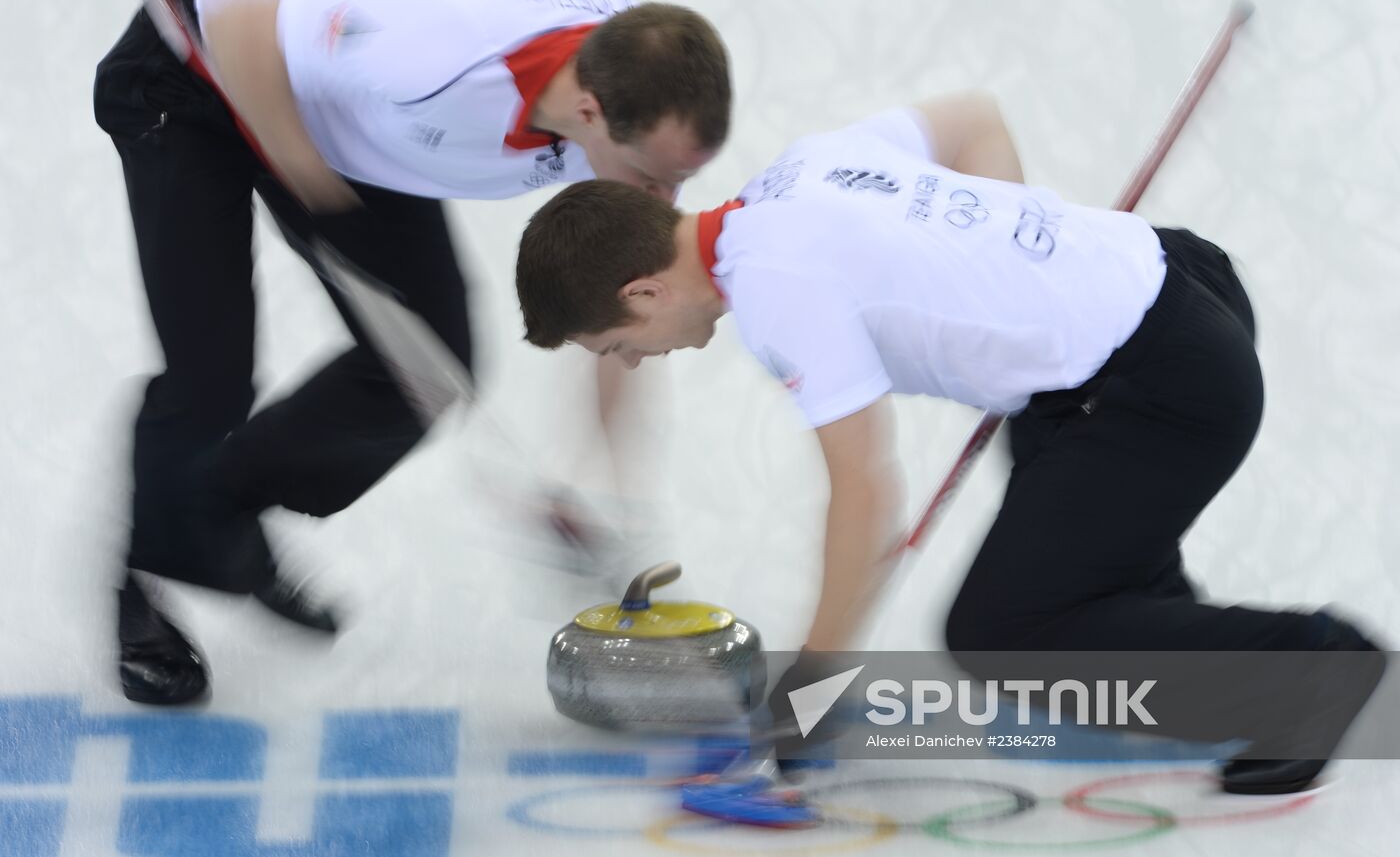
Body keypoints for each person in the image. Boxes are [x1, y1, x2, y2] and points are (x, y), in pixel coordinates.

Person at [513, 91, 1383, 794]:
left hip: (1161, 385)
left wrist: (812, 685)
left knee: (1001, 631)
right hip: (1173, 282)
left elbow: (864, 495)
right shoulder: (796, 171)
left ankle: (1316, 667)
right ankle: (1166, 637)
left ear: (644, 291)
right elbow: (974, 116)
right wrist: (1017, 268)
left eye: (616, 345)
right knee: (1073, 568)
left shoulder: (775, 293)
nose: (632, 358)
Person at [93, 0, 731, 706]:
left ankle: (210, 512)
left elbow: (624, 302)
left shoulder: (639, 92)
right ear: (593, 114)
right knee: (210, 371)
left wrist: (607, 485)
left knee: (428, 369)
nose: (662, 201)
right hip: (192, 76)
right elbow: (243, 7)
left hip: (344, 116)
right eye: (652, 176)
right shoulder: (436, 53)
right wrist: (295, 160)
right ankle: (144, 586)